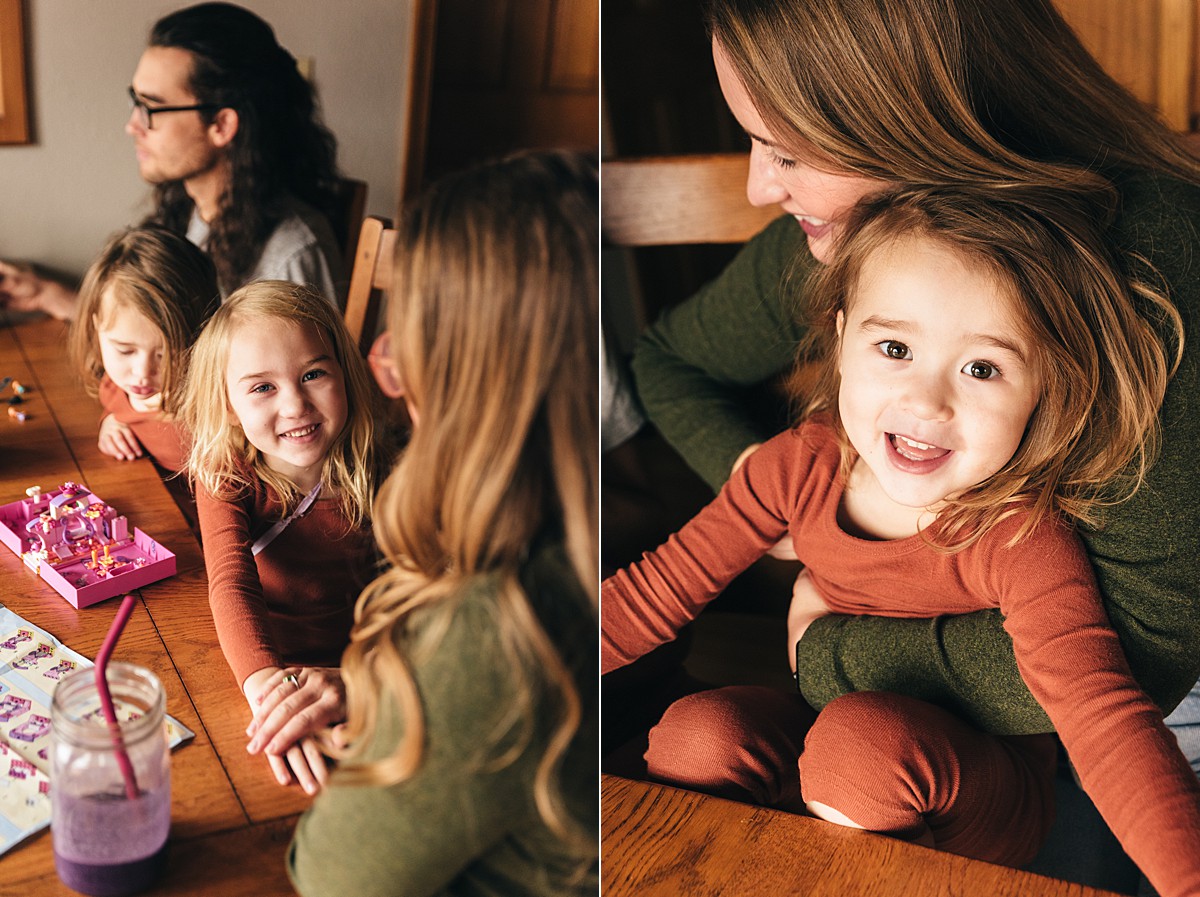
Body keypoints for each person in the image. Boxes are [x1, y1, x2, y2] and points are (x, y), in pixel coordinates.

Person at [628, 0, 1200, 749]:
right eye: (753, 143)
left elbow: (1139, 661)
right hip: (902, 735)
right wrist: (761, 489)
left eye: (789, 153)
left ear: (908, 124)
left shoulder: (1153, 262)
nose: (758, 189)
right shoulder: (867, 234)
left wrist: (829, 652)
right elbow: (668, 360)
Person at [605, 185, 1200, 897]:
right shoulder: (800, 463)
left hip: (979, 788)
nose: (927, 401)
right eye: (894, 347)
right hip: (824, 742)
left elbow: (1104, 715)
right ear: (841, 334)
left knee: (860, 746)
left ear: (1043, 384)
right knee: (694, 734)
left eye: (982, 368)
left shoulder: (1016, 531)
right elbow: (650, 594)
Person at [280, 151, 598, 896]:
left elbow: (330, 876)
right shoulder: (588, 538)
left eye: (402, 345)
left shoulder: (496, 627)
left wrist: (415, 705)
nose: (385, 363)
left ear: (461, 379)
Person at [0, 2, 343, 320]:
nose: (132, 125)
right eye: (135, 101)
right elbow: (170, 343)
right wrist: (48, 295)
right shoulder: (198, 213)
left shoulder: (290, 256)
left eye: (151, 107)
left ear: (221, 125)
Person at [179, 280, 384, 795]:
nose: (295, 405)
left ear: (346, 373)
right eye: (262, 387)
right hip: (261, 667)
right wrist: (272, 694)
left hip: (363, 682)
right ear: (228, 405)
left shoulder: (383, 468)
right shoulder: (224, 472)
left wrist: (357, 688)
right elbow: (229, 584)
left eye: (313, 373)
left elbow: (417, 603)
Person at [68, 226, 219, 473]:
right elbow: (118, 405)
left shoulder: (214, 413)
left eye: (165, 355)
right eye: (125, 351)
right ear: (96, 326)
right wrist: (111, 421)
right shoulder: (115, 385)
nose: (142, 373)